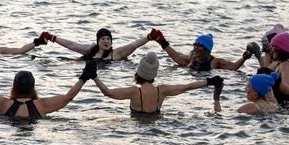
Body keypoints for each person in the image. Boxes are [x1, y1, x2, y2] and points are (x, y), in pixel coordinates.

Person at [0, 51, 95, 121]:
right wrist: (84, 77)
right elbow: (68, 97)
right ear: (33, 87)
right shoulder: (42, 105)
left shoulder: (4, 104)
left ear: (14, 86)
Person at [92, 51, 223, 116]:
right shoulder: (162, 90)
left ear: (138, 73)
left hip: (136, 128)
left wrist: (94, 77)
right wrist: (210, 81)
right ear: (154, 74)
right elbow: (187, 87)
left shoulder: (133, 92)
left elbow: (107, 92)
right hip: (156, 124)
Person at [149, 30, 254, 71]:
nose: (196, 48)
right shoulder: (191, 58)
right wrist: (162, 41)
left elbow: (233, 67)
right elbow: (176, 57)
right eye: (195, 45)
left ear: (206, 49)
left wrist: (244, 58)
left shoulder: (214, 61)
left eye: (199, 46)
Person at [47, 27, 150, 62]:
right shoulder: (90, 50)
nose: (106, 41)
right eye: (102, 39)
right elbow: (71, 45)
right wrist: (53, 38)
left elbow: (134, 45)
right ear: (97, 41)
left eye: (108, 39)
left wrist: (149, 37)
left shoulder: (116, 53)